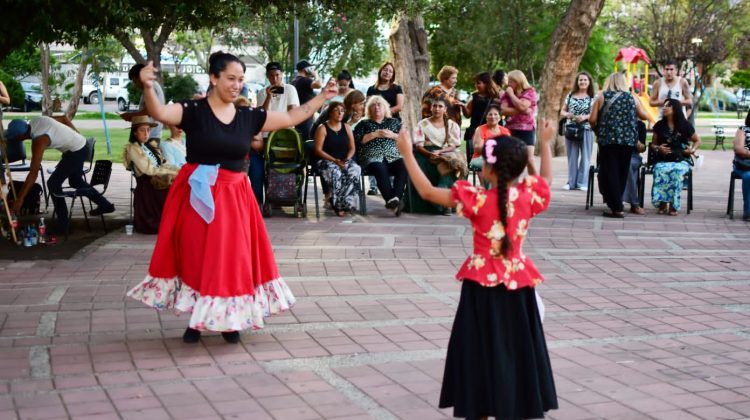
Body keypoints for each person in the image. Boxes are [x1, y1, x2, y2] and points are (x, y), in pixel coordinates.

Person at [126, 51, 338, 344]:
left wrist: (322, 98)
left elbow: (292, 116)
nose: (236, 84)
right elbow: (160, 113)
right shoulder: (193, 111)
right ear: (214, 78)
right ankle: (198, 319)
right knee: (197, 255)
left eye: (240, 79)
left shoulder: (248, 116)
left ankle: (230, 321)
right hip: (197, 195)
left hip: (234, 197)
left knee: (230, 258)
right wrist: (148, 87)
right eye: (230, 78)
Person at [395, 122, 558, 419]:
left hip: (480, 290)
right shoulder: (527, 196)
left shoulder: (477, 199)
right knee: (515, 351)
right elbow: (545, 180)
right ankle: (514, 406)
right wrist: (545, 143)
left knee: (479, 354)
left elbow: (428, 192)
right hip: (518, 288)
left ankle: (480, 408)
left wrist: (407, 153)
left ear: (489, 169)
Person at [4, 116, 115, 233]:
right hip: (80, 146)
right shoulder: (36, 120)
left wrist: (20, 198)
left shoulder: (39, 141)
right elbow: (63, 118)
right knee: (76, 181)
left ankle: (63, 225)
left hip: (76, 152)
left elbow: (33, 173)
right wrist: (77, 136)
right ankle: (105, 205)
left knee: (53, 184)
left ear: (21, 137)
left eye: (15, 138)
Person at [590, 72, 651, 218]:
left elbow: (592, 119)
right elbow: (645, 116)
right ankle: (617, 205)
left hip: (608, 141)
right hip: (627, 142)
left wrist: (597, 131)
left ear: (609, 82)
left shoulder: (601, 96)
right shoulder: (632, 98)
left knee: (610, 172)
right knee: (622, 172)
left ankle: (616, 207)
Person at [411, 96, 467, 215]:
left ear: (445, 109)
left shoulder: (451, 125)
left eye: (440, 106)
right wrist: (430, 154)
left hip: (445, 152)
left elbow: (454, 145)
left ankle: (443, 203)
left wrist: (440, 152)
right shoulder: (423, 124)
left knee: (449, 166)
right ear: (431, 108)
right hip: (425, 153)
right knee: (433, 166)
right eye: (434, 106)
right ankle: (446, 203)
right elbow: (418, 145)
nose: (437, 109)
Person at [123, 116, 179, 234]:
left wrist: (178, 171)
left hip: (157, 181)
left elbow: (163, 163)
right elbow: (149, 170)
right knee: (175, 189)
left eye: (148, 130)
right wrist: (172, 173)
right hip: (148, 186)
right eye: (142, 130)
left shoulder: (149, 147)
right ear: (135, 132)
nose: (146, 133)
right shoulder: (133, 148)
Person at [255, 62, 301, 205]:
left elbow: (292, 112)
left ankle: (289, 195)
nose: (275, 79)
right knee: (267, 167)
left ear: (281, 75)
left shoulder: (290, 89)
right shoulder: (262, 92)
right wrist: (269, 97)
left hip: (286, 134)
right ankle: (270, 197)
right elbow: (261, 115)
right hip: (267, 134)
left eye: (277, 75)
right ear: (268, 77)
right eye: (271, 76)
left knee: (288, 166)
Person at [353, 95, 406, 215]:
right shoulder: (363, 124)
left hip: (393, 156)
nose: (376, 107)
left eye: (379, 105)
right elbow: (358, 141)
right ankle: (392, 201)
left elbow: (404, 139)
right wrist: (375, 134)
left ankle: (395, 199)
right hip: (372, 156)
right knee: (379, 167)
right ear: (369, 109)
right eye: (373, 105)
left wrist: (393, 135)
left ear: (385, 107)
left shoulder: (394, 122)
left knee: (403, 165)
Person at [649, 98, 701, 215]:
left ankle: (673, 204)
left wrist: (692, 150)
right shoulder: (659, 125)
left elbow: (697, 140)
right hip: (663, 159)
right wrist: (658, 148)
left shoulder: (685, 125)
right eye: (664, 106)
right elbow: (653, 144)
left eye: (668, 106)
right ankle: (662, 202)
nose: (664, 108)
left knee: (677, 172)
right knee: (660, 170)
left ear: (675, 109)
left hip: (681, 159)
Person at [313, 101, 361, 216]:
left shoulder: (347, 127)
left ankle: (345, 203)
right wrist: (335, 161)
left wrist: (347, 160)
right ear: (330, 113)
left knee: (355, 169)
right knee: (336, 172)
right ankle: (339, 206)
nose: (340, 113)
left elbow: (352, 148)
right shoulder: (322, 128)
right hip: (327, 161)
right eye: (336, 110)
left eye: (342, 111)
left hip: (344, 160)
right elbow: (318, 150)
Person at [366, 62, 404, 196]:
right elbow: (369, 106)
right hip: (374, 123)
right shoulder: (372, 89)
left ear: (392, 75)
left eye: (390, 71)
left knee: (392, 152)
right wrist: (378, 116)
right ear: (380, 71)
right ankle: (373, 185)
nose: (387, 72)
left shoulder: (396, 88)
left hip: (392, 123)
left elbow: (399, 106)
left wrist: (385, 114)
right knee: (375, 150)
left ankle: (393, 186)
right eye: (385, 70)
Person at [559, 71, 595, 191]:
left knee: (585, 157)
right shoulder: (570, 95)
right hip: (571, 129)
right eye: (580, 80)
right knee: (572, 157)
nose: (583, 82)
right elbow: (562, 111)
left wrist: (585, 117)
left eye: (585, 80)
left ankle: (582, 183)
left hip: (586, 130)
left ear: (589, 82)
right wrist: (568, 114)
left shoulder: (593, 97)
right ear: (577, 82)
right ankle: (571, 182)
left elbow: (596, 114)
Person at [501, 70, 537, 174]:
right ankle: (511, 185)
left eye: (511, 81)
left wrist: (512, 95)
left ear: (519, 81)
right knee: (511, 160)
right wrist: (524, 110)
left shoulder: (530, 92)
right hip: (511, 129)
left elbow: (522, 106)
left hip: (527, 129)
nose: (509, 84)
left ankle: (536, 184)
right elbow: (503, 110)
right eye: (509, 81)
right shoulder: (507, 93)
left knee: (529, 159)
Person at [462, 72, 501, 162]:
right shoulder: (474, 96)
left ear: (486, 83)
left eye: (478, 83)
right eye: (475, 83)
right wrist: (463, 107)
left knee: (492, 159)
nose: (476, 85)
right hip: (476, 131)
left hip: (492, 132)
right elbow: (467, 115)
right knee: (475, 160)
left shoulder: (495, 96)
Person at [122, 63, 166, 140]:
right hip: (146, 134)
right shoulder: (149, 88)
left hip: (149, 135)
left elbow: (148, 112)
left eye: (135, 81)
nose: (135, 85)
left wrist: (130, 116)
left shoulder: (152, 88)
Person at [469, 103, 511, 176]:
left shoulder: (505, 131)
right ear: (486, 116)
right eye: (490, 114)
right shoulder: (480, 129)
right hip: (480, 157)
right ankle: (490, 187)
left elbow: (509, 148)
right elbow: (478, 148)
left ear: (500, 117)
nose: (493, 117)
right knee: (493, 164)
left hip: (499, 158)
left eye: (495, 114)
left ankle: (505, 186)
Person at [292, 59, 323, 140]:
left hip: (297, 117)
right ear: (305, 69)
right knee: (306, 141)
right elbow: (319, 84)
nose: (312, 70)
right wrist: (316, 74)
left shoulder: (295, 81)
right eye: (310, 68)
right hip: (305, 118)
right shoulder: (305, 80)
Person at [622, 120, 648, 215]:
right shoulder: (617, 123)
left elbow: (642, 148)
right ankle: (631, 203)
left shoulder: (640, 125)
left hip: (633, 156)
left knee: (627, 164)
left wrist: (640, 145)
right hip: (616, 155)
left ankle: (633, 203)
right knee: (621, 164)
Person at [733, 109, 750, 221]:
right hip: (745, 166)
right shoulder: (743, 130)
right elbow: (739, 149)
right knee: (749, 176)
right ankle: (748, 211)